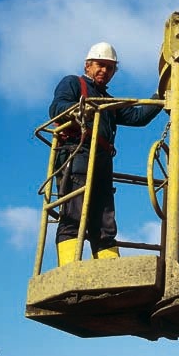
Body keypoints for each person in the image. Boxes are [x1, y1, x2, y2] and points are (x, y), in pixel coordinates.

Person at [49, 42, 162, 265]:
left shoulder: (107, 101)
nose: (104, 71)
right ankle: (70, 271)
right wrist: (81, 109)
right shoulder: (73, 83)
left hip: (101, 160)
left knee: (104, 222)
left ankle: (108, 270)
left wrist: (160, 96)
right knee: (74, 214)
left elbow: (137, 117)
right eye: (101, 65)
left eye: (110, 68)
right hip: (76, 154)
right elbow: (56, 108)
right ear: (88, 65)